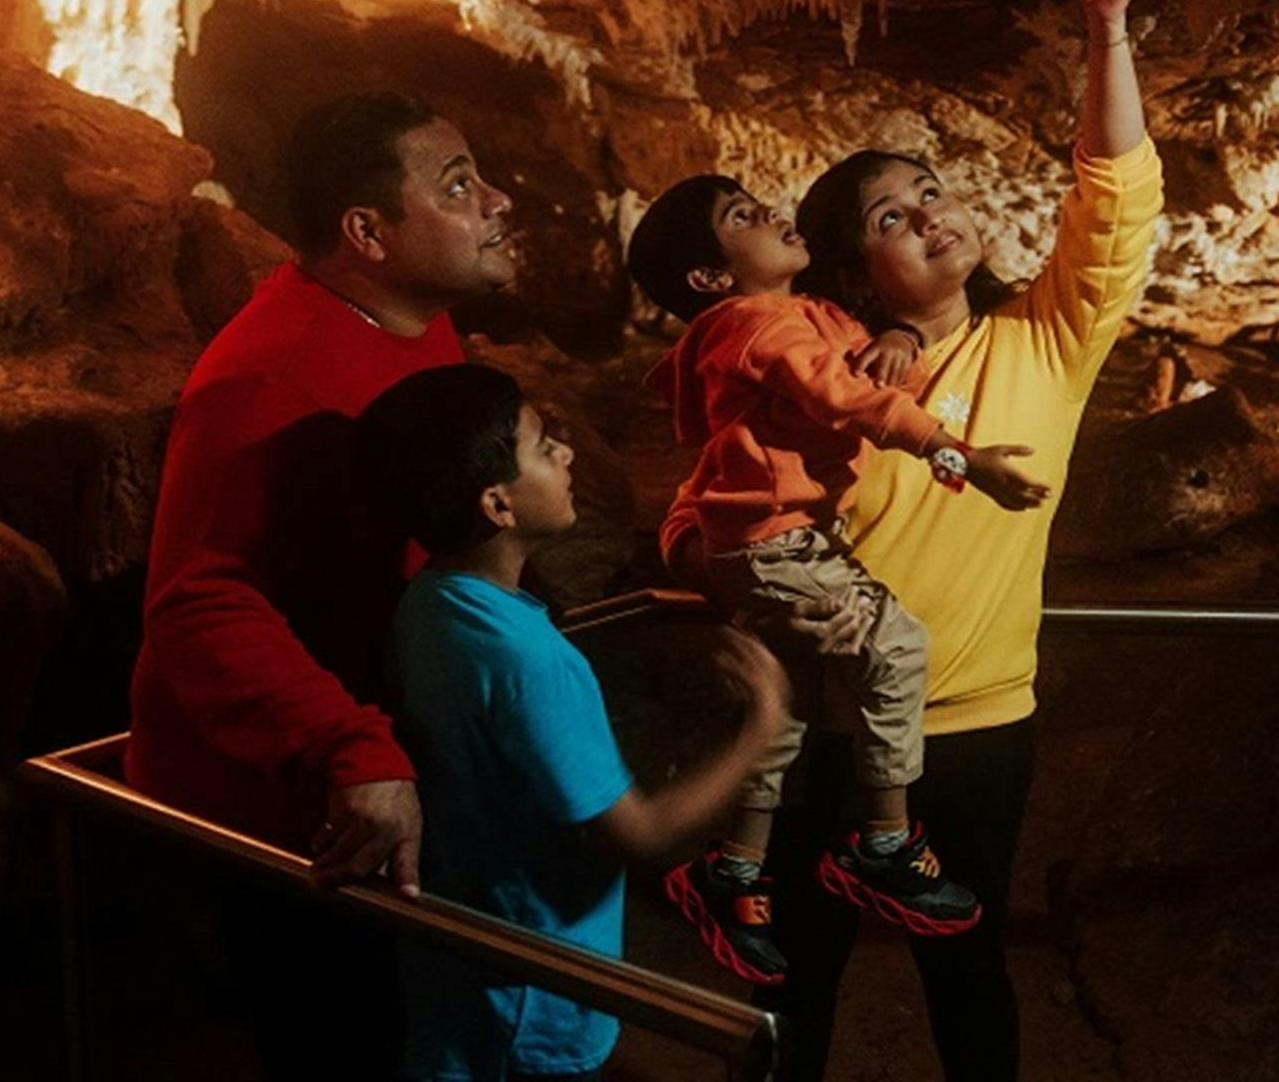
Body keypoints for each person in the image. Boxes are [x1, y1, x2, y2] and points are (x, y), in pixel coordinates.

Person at [661, 0, 1164, 1080]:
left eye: (929, 188)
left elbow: (1114, 202)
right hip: (828, 727)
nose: (930, 214)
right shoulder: (803, 372)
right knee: (796, 974)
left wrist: (1105, 34)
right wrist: (705, 572)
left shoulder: (1041, 339)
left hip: (979, 723)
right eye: (893, 214)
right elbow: (710, 500)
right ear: (854, 269)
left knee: (966, 969)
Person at [124, 90, 516, 1079]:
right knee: (342, 1040)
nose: (498, 201)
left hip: (384, 742)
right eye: (460, 185)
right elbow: (198, 602)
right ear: (367, 232)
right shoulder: (269, 375)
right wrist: (352, 746)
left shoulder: (413, 323)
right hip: (292, 804)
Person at [624, 174, 1048, 986]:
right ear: (713, 278)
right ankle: (884, 844)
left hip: (785, 539)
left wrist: (905, 340)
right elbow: (854, 402)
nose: (771, 214)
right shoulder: (749, 326)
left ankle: (735, 866)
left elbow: (866, 356)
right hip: (770, 544)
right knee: (895, 645)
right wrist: (960, 457)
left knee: (784, 703)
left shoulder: (806, 315)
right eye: (743, 218)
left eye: (760, 201)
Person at [355, 363, 791, 1082]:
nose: (567, 454)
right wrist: (761, 725)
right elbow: (639, 835)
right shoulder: (530, 662)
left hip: (462, 976)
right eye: (541, 446)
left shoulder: (430, 605)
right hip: (532, 999)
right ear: (497, 503)